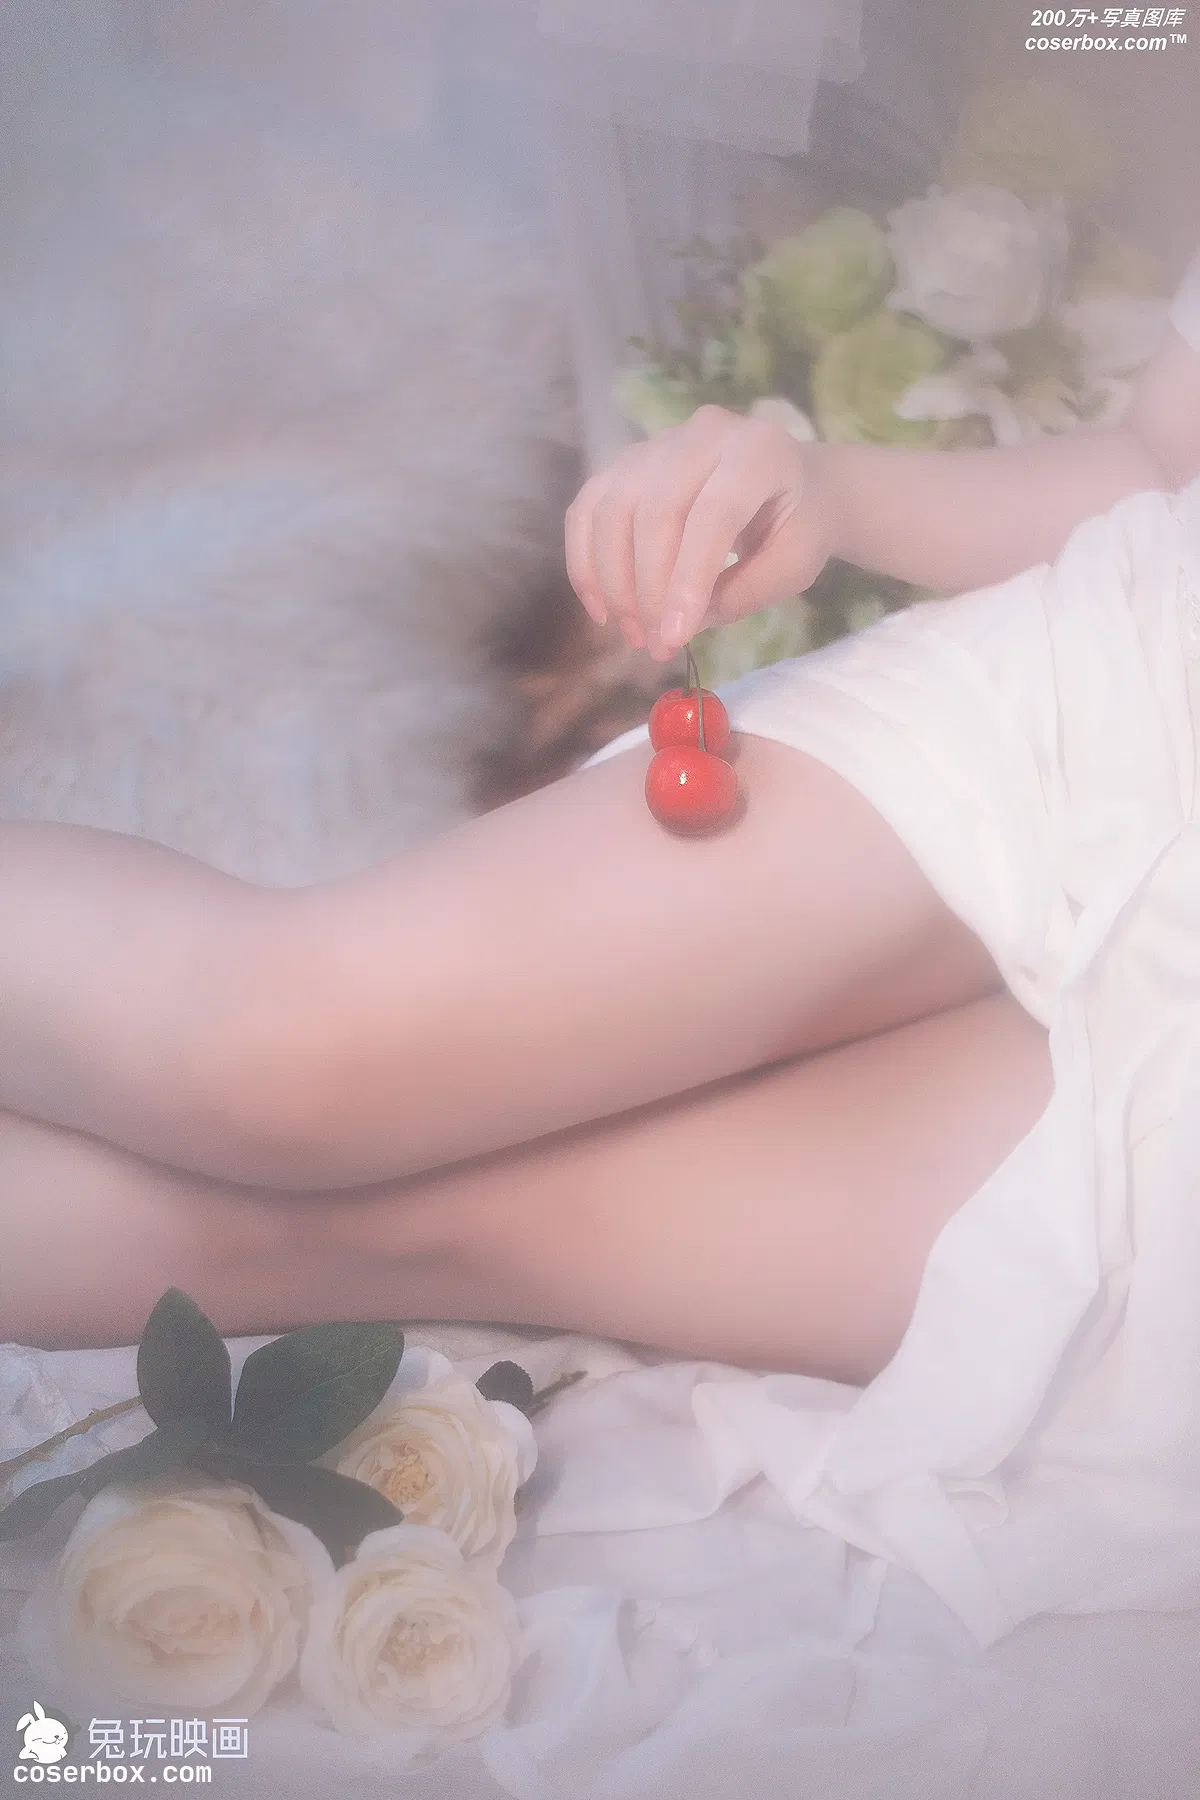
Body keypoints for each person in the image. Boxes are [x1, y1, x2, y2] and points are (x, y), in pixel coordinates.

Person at [2, 253, 1199, 1384]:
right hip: (1111, 712)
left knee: (378, 1234)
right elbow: (1160, 459)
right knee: (270, 1051)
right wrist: (830, 489)